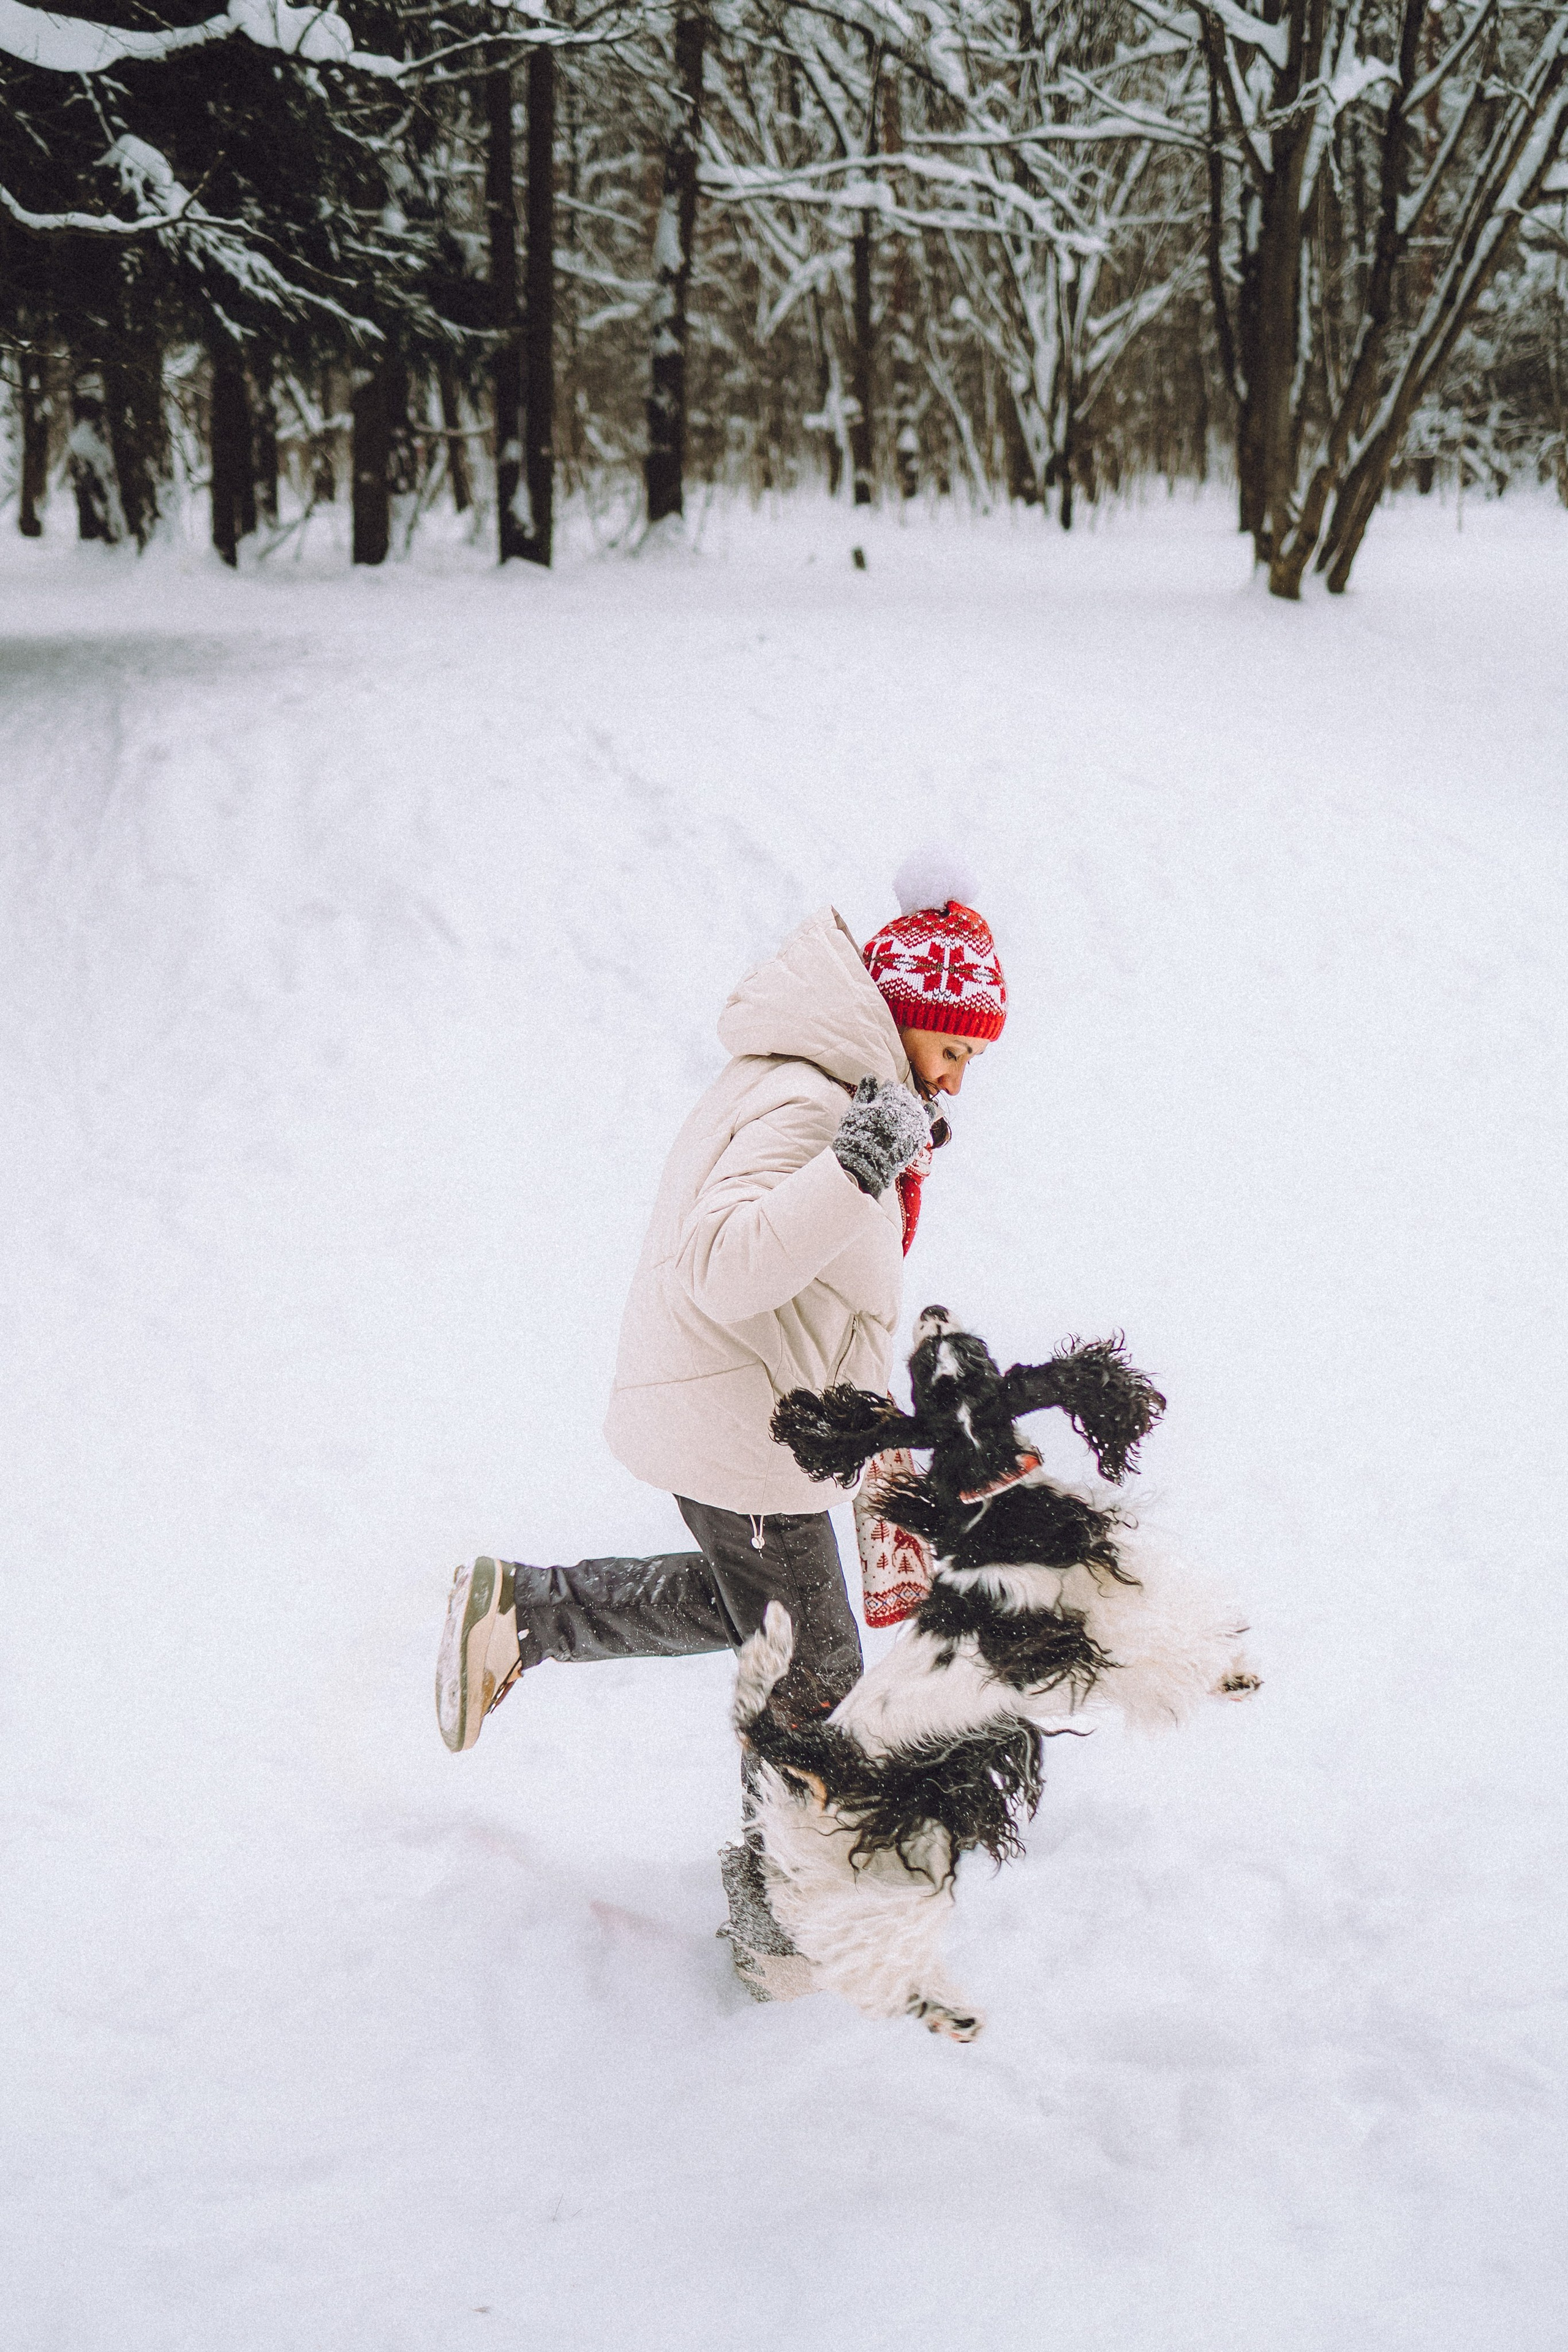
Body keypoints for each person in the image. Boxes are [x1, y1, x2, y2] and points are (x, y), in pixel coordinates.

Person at [434, 858, 1008, 1969]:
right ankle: (779, 1928)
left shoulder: (830, 1091)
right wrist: (855, 1170)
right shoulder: (813, 1104)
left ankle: (522, 1616)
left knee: (770, 1618)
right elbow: (726, 1267)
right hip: (747, 1430)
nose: (960, 1077)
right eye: (954, 1047)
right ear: (905, 1018)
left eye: (975, 1058)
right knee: (813, 1668)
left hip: (759, 1420)